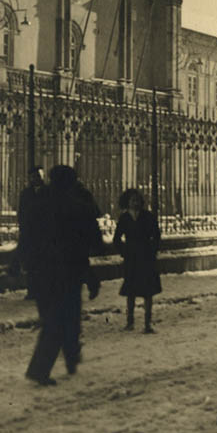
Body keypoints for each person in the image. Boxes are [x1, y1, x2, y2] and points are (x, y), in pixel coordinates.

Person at [24, 164, 103, 386]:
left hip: (41, 273)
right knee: (62, 319)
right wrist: (90, 276)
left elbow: (26, 238)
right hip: (69, 273)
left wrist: (24, 265)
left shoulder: (37, 204)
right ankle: (41, 369)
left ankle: (70, 357)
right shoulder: (78, 207)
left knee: (56, 318)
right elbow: (93, 244)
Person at [113, 188, 162, 334]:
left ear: (141, 202)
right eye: (132, 200)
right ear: (127, 202)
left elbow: (157, 236)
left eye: (137, 200)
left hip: (146, 258)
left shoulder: (148, 217)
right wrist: (124, 251)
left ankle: (147, 323)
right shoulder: (124, 218)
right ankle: (130, 322)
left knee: (148, 292)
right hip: (131, 258)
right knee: (130, 291)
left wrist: (152, 251)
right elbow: (116, 239)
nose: (135, 203)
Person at [13, 166, 45, 299]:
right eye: (33, 176)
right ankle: (32, 291)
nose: (36, 178)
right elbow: (21, 213)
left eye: (38, 175)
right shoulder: (25, 194)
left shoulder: (49, 192)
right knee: (31, 264)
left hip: (45, 234)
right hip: (30, 234)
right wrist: (23, 229)